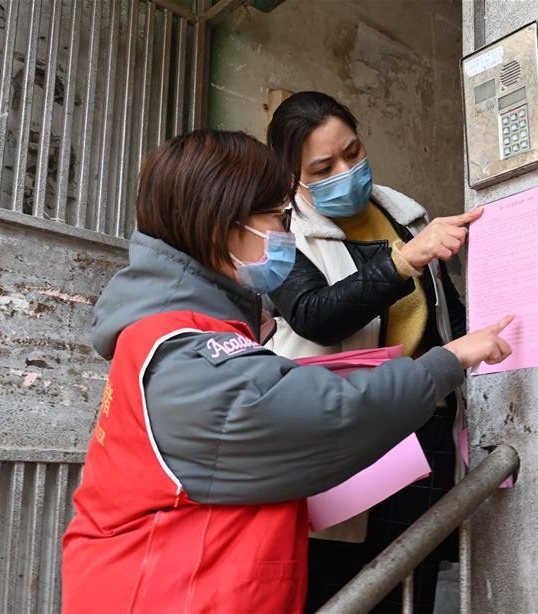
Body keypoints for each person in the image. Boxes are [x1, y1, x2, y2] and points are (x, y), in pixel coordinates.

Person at [61, 129, 512, 614]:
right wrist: (452, 360)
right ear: (224, 226)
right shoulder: (184, 355)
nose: (287, 234)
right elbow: (333, 413)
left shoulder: (179, 330)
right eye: (277, 216)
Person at [265, 92, 479, 613]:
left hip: (425, 425)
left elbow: (446, 315)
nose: (346, 170)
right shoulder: (280, 233)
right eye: (324, 166)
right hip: (350, 434)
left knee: (412, 579)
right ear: (293, 177)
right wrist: (403, 262)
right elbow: (316, 314)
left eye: (353, 152)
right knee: (342, 585)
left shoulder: (404, 214)